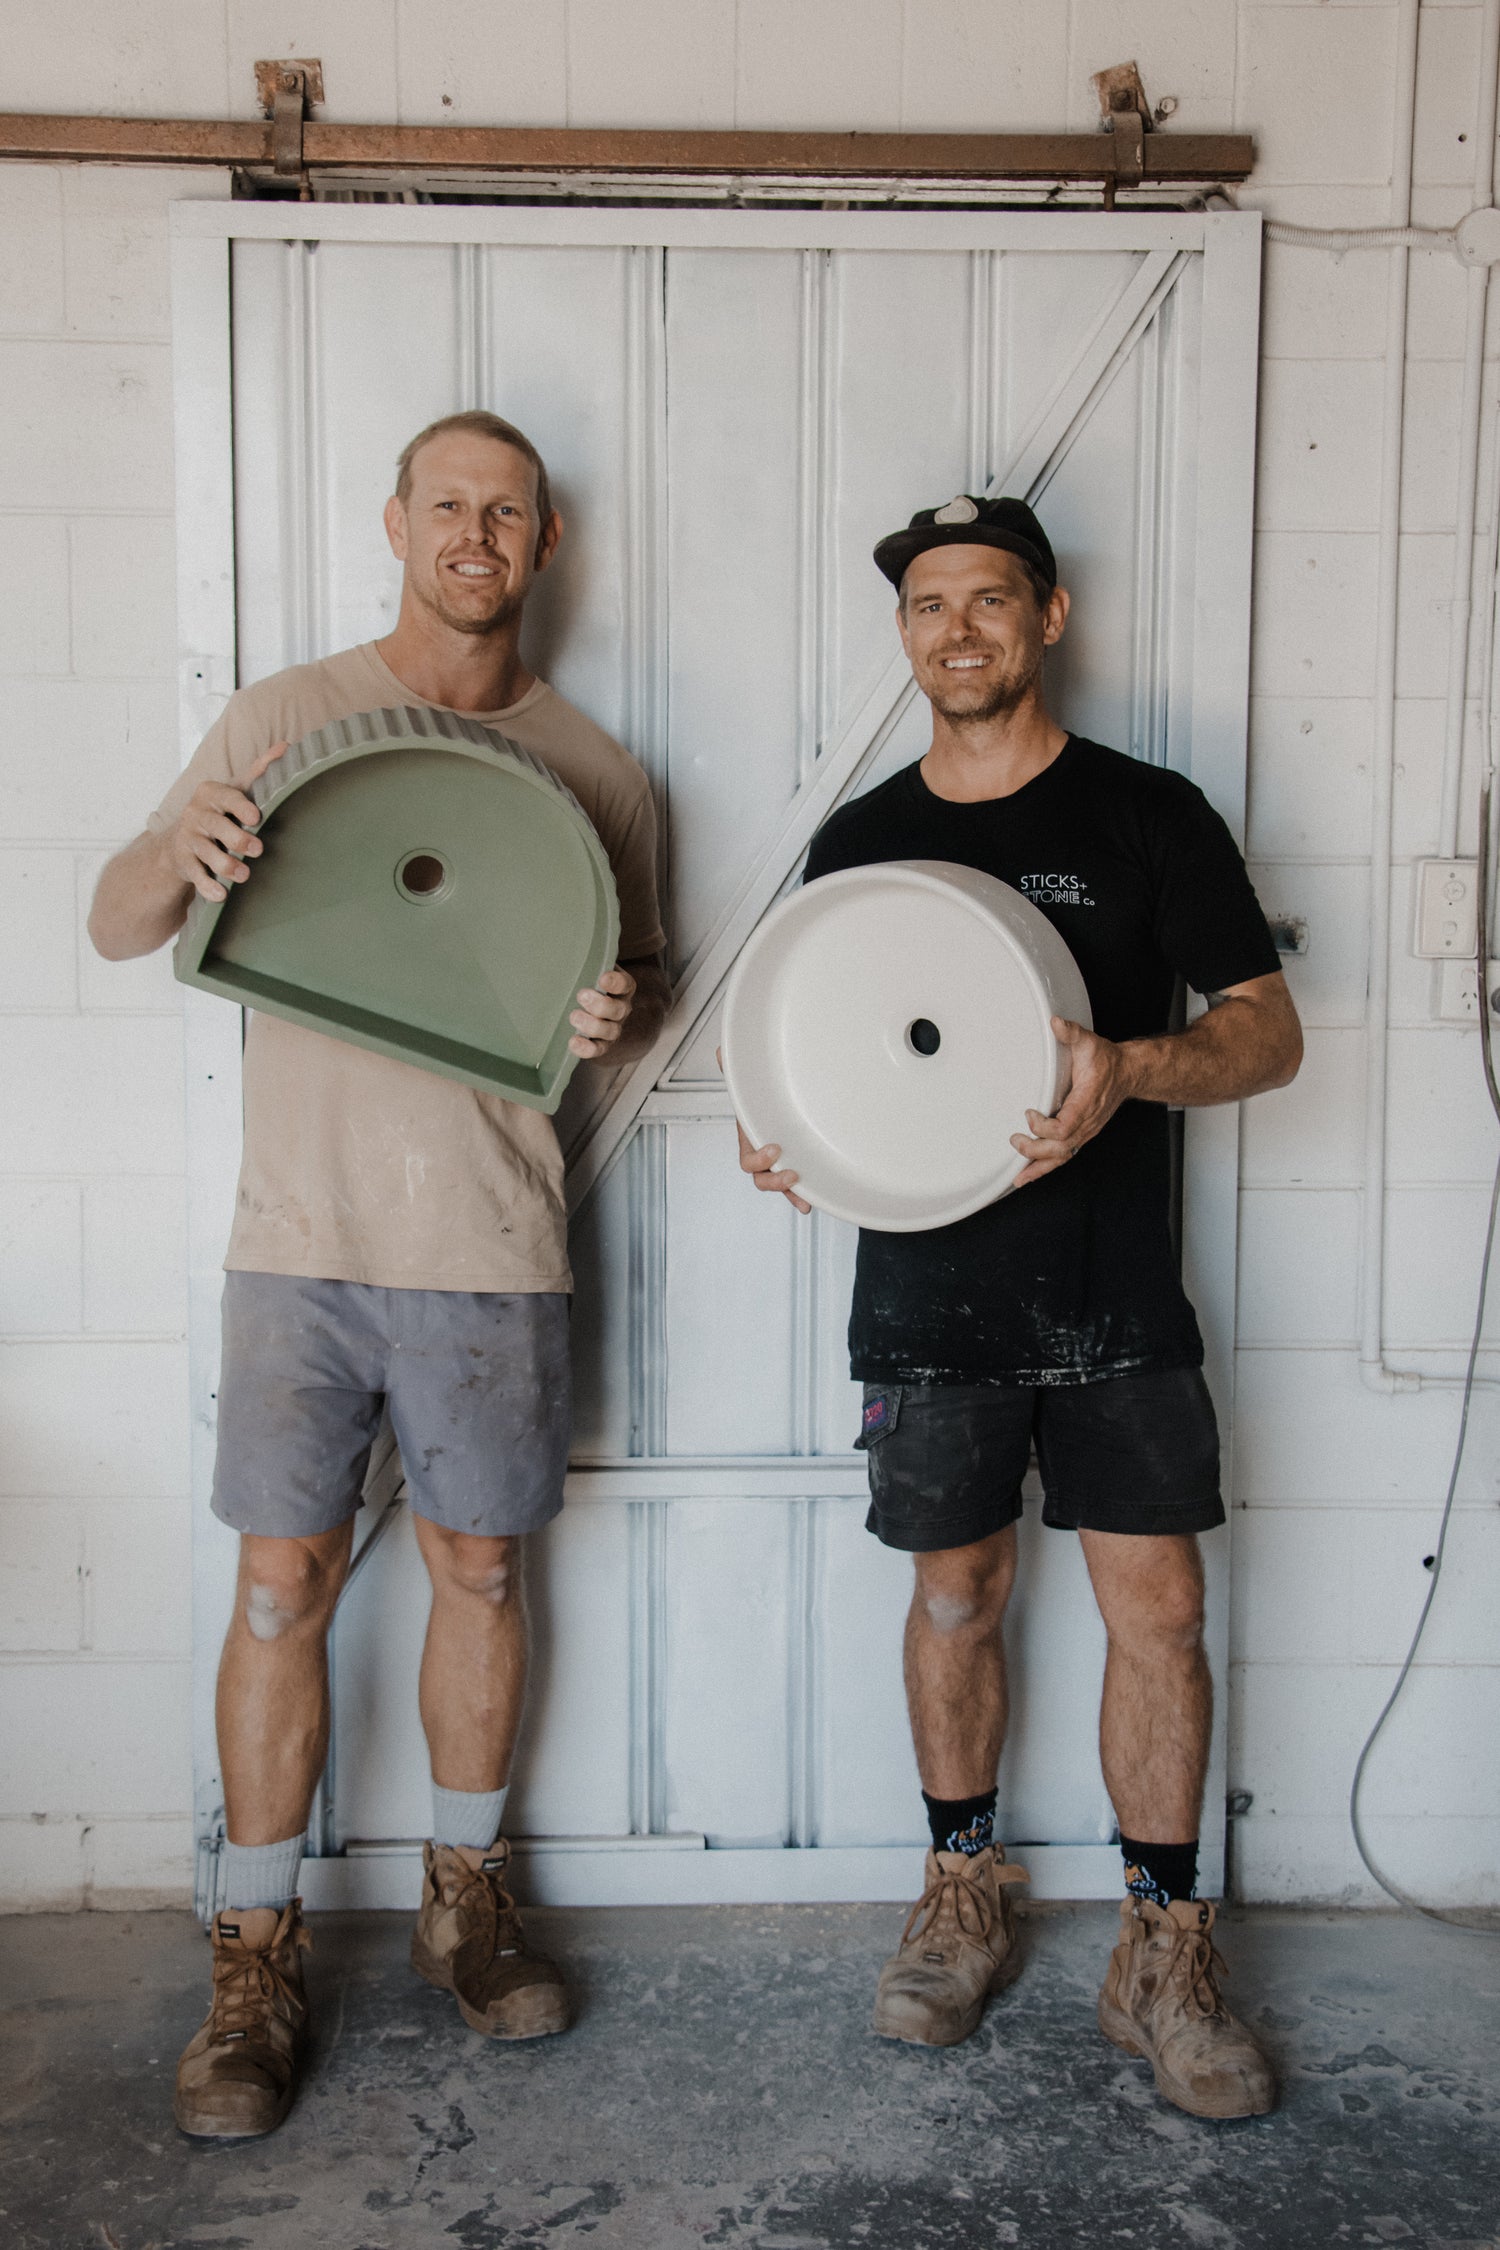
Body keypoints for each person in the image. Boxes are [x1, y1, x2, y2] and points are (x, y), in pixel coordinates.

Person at [89, 410, 669, 2140]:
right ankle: (250, 1952)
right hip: (301, 1243)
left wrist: (610, 1015)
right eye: (446, 505)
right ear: (394, 523)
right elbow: (120, 921)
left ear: (546, 541)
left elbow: (624, 1014)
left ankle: (464, 1901)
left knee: (479, 1570)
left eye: (507, 510)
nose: (474, 534)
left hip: (491, 1243)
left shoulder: (601, 770)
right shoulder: (285, 719)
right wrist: (179, 857)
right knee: (281, 1584)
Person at [735, 494, 1301, 2121]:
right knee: (958, 1597)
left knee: (1162, 1615)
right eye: (929, 604)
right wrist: (797, 1145)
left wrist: (1133, 1066)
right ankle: (965, 1887)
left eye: (991, 598)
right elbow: (811, 1060)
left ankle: (1163, 1941)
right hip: (927, 1299)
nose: (958, 629)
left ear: (1049, 618)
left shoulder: (1149, 814)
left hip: (1116, 1294)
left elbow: (1266, 1034)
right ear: (904, 632)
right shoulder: (858, 844)